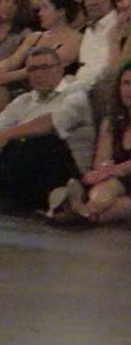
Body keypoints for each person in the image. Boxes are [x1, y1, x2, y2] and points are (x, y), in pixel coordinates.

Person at [0, 46, 95, 212]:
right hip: (26, 166)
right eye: (33, 69)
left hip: (66, 169)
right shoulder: (24, 100)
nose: (39, 74)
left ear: (60, 68)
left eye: (45, 67)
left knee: (40, 141)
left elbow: (50, 122)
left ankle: (0, 195)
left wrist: (4, 137)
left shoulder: (75, 93)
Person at [49, 61, 131, 225]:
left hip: (119, 179)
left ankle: (74, 211)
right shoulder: (111, 123)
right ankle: (84, 214)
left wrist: (113, 171)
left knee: (114, 188)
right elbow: (101, 160)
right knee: (116, 198)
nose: (130, 89)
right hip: (114, 184)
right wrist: (103, 171)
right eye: (126, 83)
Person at [0, 0, 82, 116]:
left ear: (61, 12)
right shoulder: (36, 36)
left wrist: (5, 77)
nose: (39, 14)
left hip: (54, 91)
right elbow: (14, 60)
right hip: (28, 89)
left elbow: (44, 67)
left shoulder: (75, 38)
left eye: (45, 8)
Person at [74, 0, 119, 92]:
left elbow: (108, 72)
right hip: (80, 88)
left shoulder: (119, 26)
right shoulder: (89, 29)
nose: (91, 2)